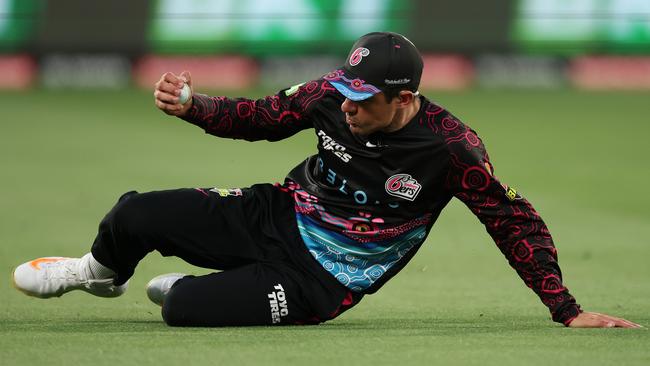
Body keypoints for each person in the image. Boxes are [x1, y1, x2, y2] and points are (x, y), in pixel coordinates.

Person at [12, 32, 640, 328]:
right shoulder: (327, 95)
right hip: (275, 213)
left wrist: (567, 311)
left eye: (364, 99)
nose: (347, 107)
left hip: (321, 281)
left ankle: (209, 288)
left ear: (405, 98)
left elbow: (512, 219)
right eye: (346, 91)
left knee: (182, 306)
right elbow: (257, 118)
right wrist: (194, 106)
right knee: (136, 215)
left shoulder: (453, 150)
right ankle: (98, 273)